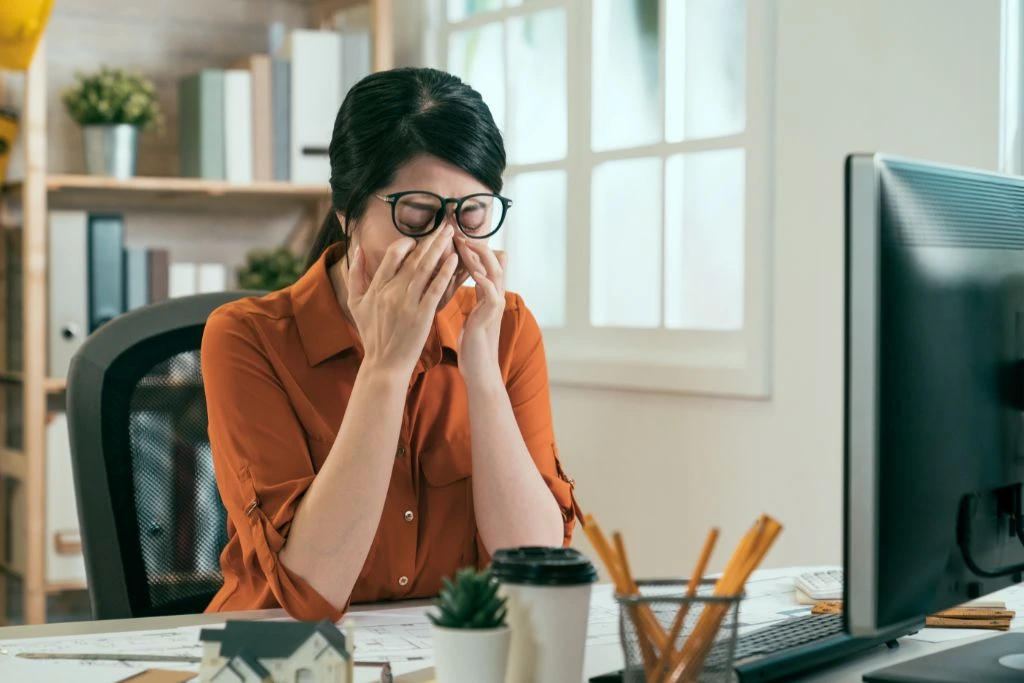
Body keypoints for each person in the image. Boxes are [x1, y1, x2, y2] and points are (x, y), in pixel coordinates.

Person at [201, 67, 581, 621]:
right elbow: (312, 591)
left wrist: (481, 372)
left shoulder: (508, 328)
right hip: (283, 656)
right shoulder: (245, 338)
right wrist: (385, 368)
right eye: (419, 213)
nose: (448, 244)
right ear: (347, 212)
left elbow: (535, 570)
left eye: (471, 213)